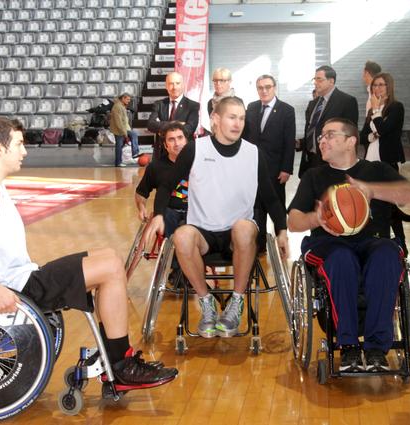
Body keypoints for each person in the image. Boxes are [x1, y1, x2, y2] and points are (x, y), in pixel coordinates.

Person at [0, 117, 178, 388]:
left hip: (23, 277)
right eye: (19, 144)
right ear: (0, 149)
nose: (24, 151)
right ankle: (121, 364)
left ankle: (114, 356)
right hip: (17, 287)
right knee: (110, 269)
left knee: (110, 256)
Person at [147, 97, 289, 338]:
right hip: (203, 233)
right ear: (215, 119)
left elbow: (271, 198)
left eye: (241, 118)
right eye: (232, 117)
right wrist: (159, 214)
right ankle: (206, 303)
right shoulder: (195, 149)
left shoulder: (253, 153)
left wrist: (282, 231)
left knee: (243, 228)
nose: (238, 123)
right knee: (181, 235)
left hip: (238, 233)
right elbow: (166, 186)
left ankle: (236, 301)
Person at [287, 117, 410, 372]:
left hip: (374, 242)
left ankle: (376, 348)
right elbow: (293, 222)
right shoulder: (314, 176)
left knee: (387, 255)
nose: (321, 140)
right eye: (321, 137)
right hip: (329, 244)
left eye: (329, 135)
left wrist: (370, 190)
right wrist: (317, 218)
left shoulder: (377, 170)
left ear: (350, 141)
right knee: (341, 258)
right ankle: (348, 345)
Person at [360, 72, 410, 254]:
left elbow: (384, 129)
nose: (377, 88)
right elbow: (363, 135)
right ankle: (378, 240)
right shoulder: (371, 110)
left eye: (381, 85)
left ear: (389, 87)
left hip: (387, 161)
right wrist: (372, 135)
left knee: (388, 205)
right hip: (370, 160)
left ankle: (399, 243)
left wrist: (376, 113)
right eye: (375, 85)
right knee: (374, 204)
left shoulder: (396, 107)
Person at [241, 74, 296, 254]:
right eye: (260, 87)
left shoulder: (286, 110)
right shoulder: (251, 107)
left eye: (267, 87)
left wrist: (286, 169)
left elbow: (289, 142)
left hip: (275, 169)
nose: (264, 91)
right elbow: (245, 137)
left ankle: (281, 241)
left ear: (274, 88)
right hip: (252, 167)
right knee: (256, 206)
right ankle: (260, 245)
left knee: (276, 205)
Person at [299, 65, 359, 177]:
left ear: (331, 81)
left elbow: (350, 134)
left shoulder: (346, 101)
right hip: (311, 161)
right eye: (314, 79)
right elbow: (312, 131)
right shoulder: (313, 104)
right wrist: (301, 143)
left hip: (333, 162)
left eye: (319, 79)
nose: (315, 83)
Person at [136, 122, 189, 238]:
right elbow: (141, 193)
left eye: (180, 138)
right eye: (171, 139)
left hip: (194, 213)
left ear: (186, 141)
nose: (177, 143)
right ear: (165, 145)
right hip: (168, 212)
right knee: (164, 216)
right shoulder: (155, 167)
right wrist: (141, 207)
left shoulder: (199, 163)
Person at [147, 72, 200, 159]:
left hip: (184, 154)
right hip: (161, 155)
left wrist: (162, 127)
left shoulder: (193, 106)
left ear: (183, 85)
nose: (174, 87)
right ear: (166, 86)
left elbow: (189, 129)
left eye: (177, 83)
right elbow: (151, 125)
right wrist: (176, 124)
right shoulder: (159, 104)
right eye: (171, 84)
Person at [109, 93, 140, 167]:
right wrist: (124, 133)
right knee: (132, 135)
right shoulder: (117, 107)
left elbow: (124, 120)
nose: (129, 101)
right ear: (123, 98)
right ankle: (135, 153)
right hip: (120, 130)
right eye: (127, 99)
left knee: (120, 146)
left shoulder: (121, 106)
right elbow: (118, 121)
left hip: (123, 129)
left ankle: (118, 162)